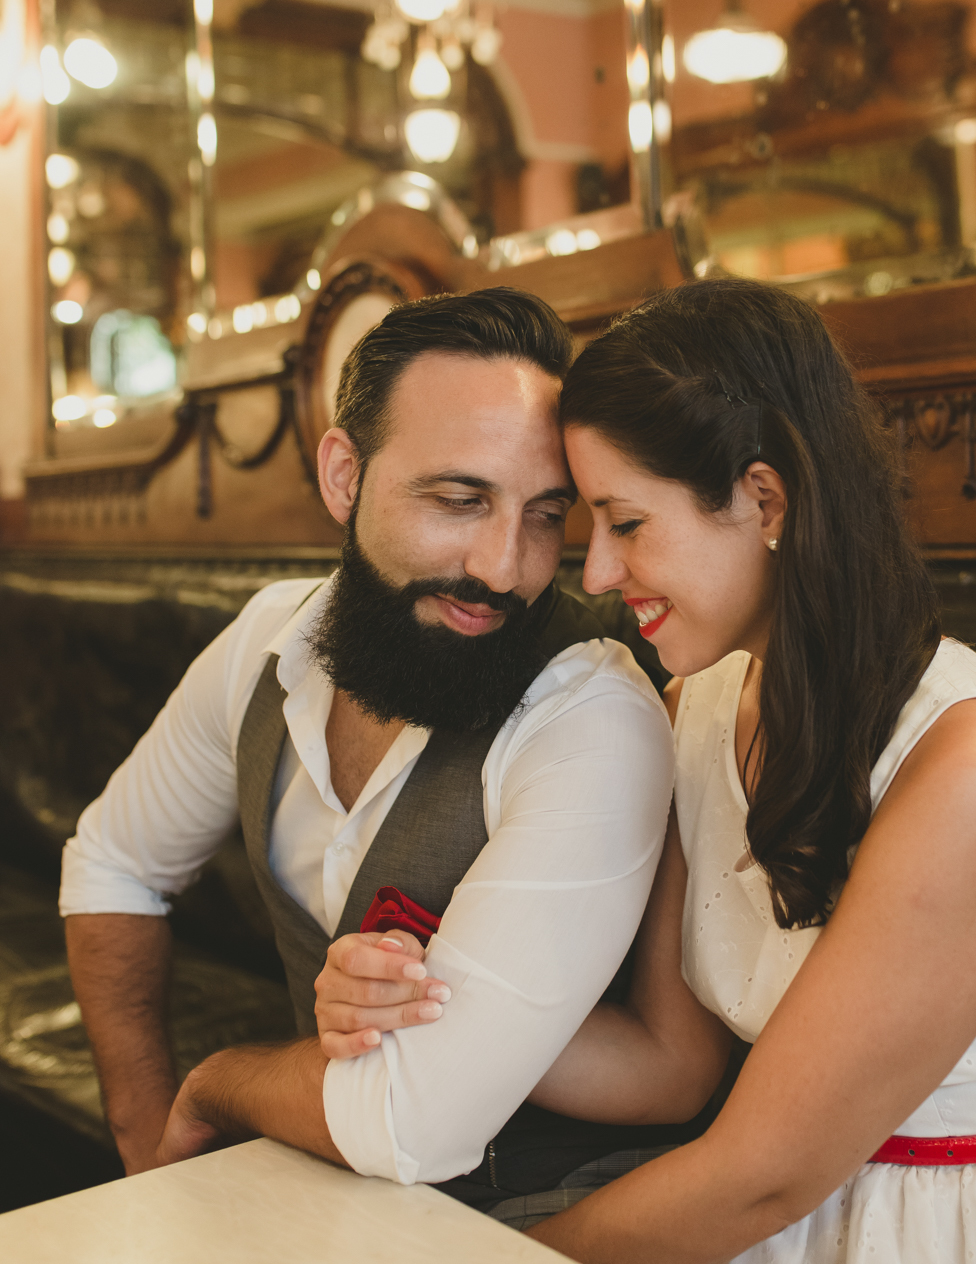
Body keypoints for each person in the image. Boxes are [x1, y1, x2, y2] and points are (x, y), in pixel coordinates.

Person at [317, 279, 976, 1264]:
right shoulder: (700, 705)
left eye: (624, 523)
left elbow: (766, 1168)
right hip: (773, 1229)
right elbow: (674, 1065)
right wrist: (418, 993)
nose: (597, 573)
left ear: (764, 500)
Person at [59, 285, 685, 1207]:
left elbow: (413, 1124)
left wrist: (220, 1080)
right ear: (344, 476)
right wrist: (145, 1155)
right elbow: (114, 864)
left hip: (540, 1234)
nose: (502, 568)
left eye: (546, 515)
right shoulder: (266, 645)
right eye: (459, 499)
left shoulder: (588, 709)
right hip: (319, 1190)